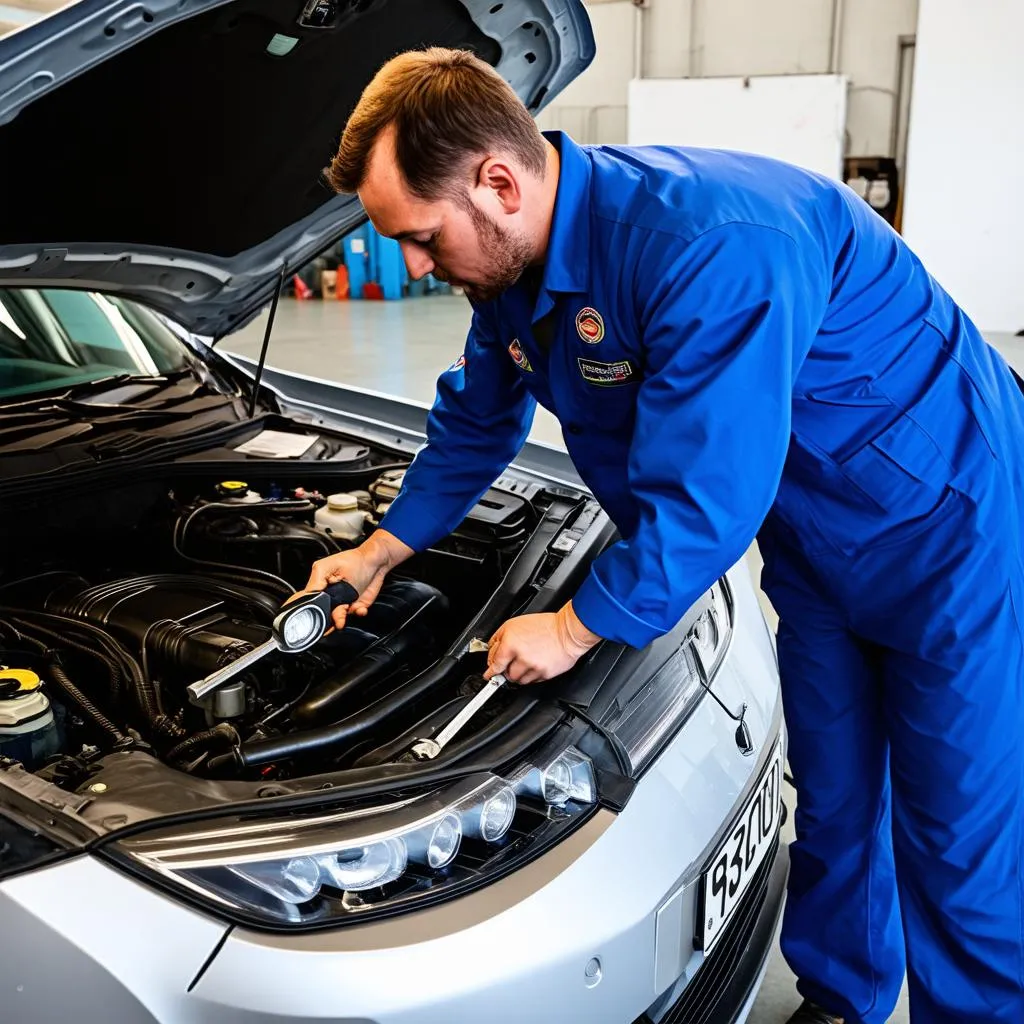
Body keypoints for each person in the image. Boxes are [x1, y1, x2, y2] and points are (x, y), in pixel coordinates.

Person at [300, 47, 1024, 1024]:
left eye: (420, 239)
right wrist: (382, 549)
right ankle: (845, 997)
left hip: (952, 522)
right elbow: (477, 417)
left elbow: (705, 498)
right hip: (814, 532)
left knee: (959, 830)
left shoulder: (707, 244)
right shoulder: (511, 277)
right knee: (840, 787)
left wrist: (573, 625)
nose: (417, 267)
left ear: (497, 184)